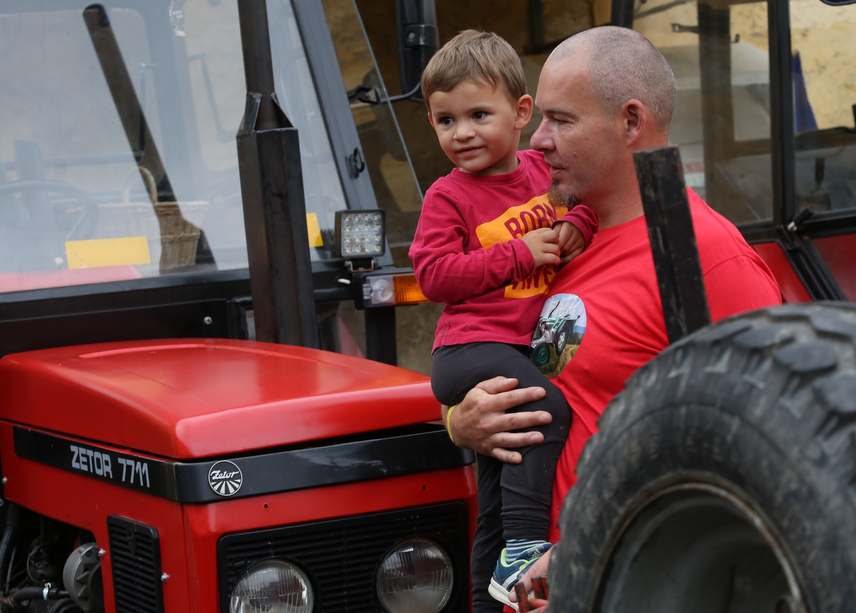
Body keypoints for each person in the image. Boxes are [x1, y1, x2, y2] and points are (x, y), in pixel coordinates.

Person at [443, 26, 784, 612]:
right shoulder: (554, 239)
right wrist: (460, 422)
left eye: (560, 120)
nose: (538, 140)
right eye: (540, 119)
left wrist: (586, 557)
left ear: (630, 122)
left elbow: (766, 455)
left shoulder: (708, 259)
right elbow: (490, 359)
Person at [408, 30, 599, 612]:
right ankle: (523, 547)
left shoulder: (543, 172)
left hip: (514, 350)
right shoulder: (448, 197)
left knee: (492, 494)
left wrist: (577, 225)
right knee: (546, 408)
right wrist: (519, 255)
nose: (462, 133)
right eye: (446, 121)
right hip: (469, 351)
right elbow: (434, 275)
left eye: (478, 115)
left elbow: (588, 202)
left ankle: (491, 596)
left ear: (521, 113)